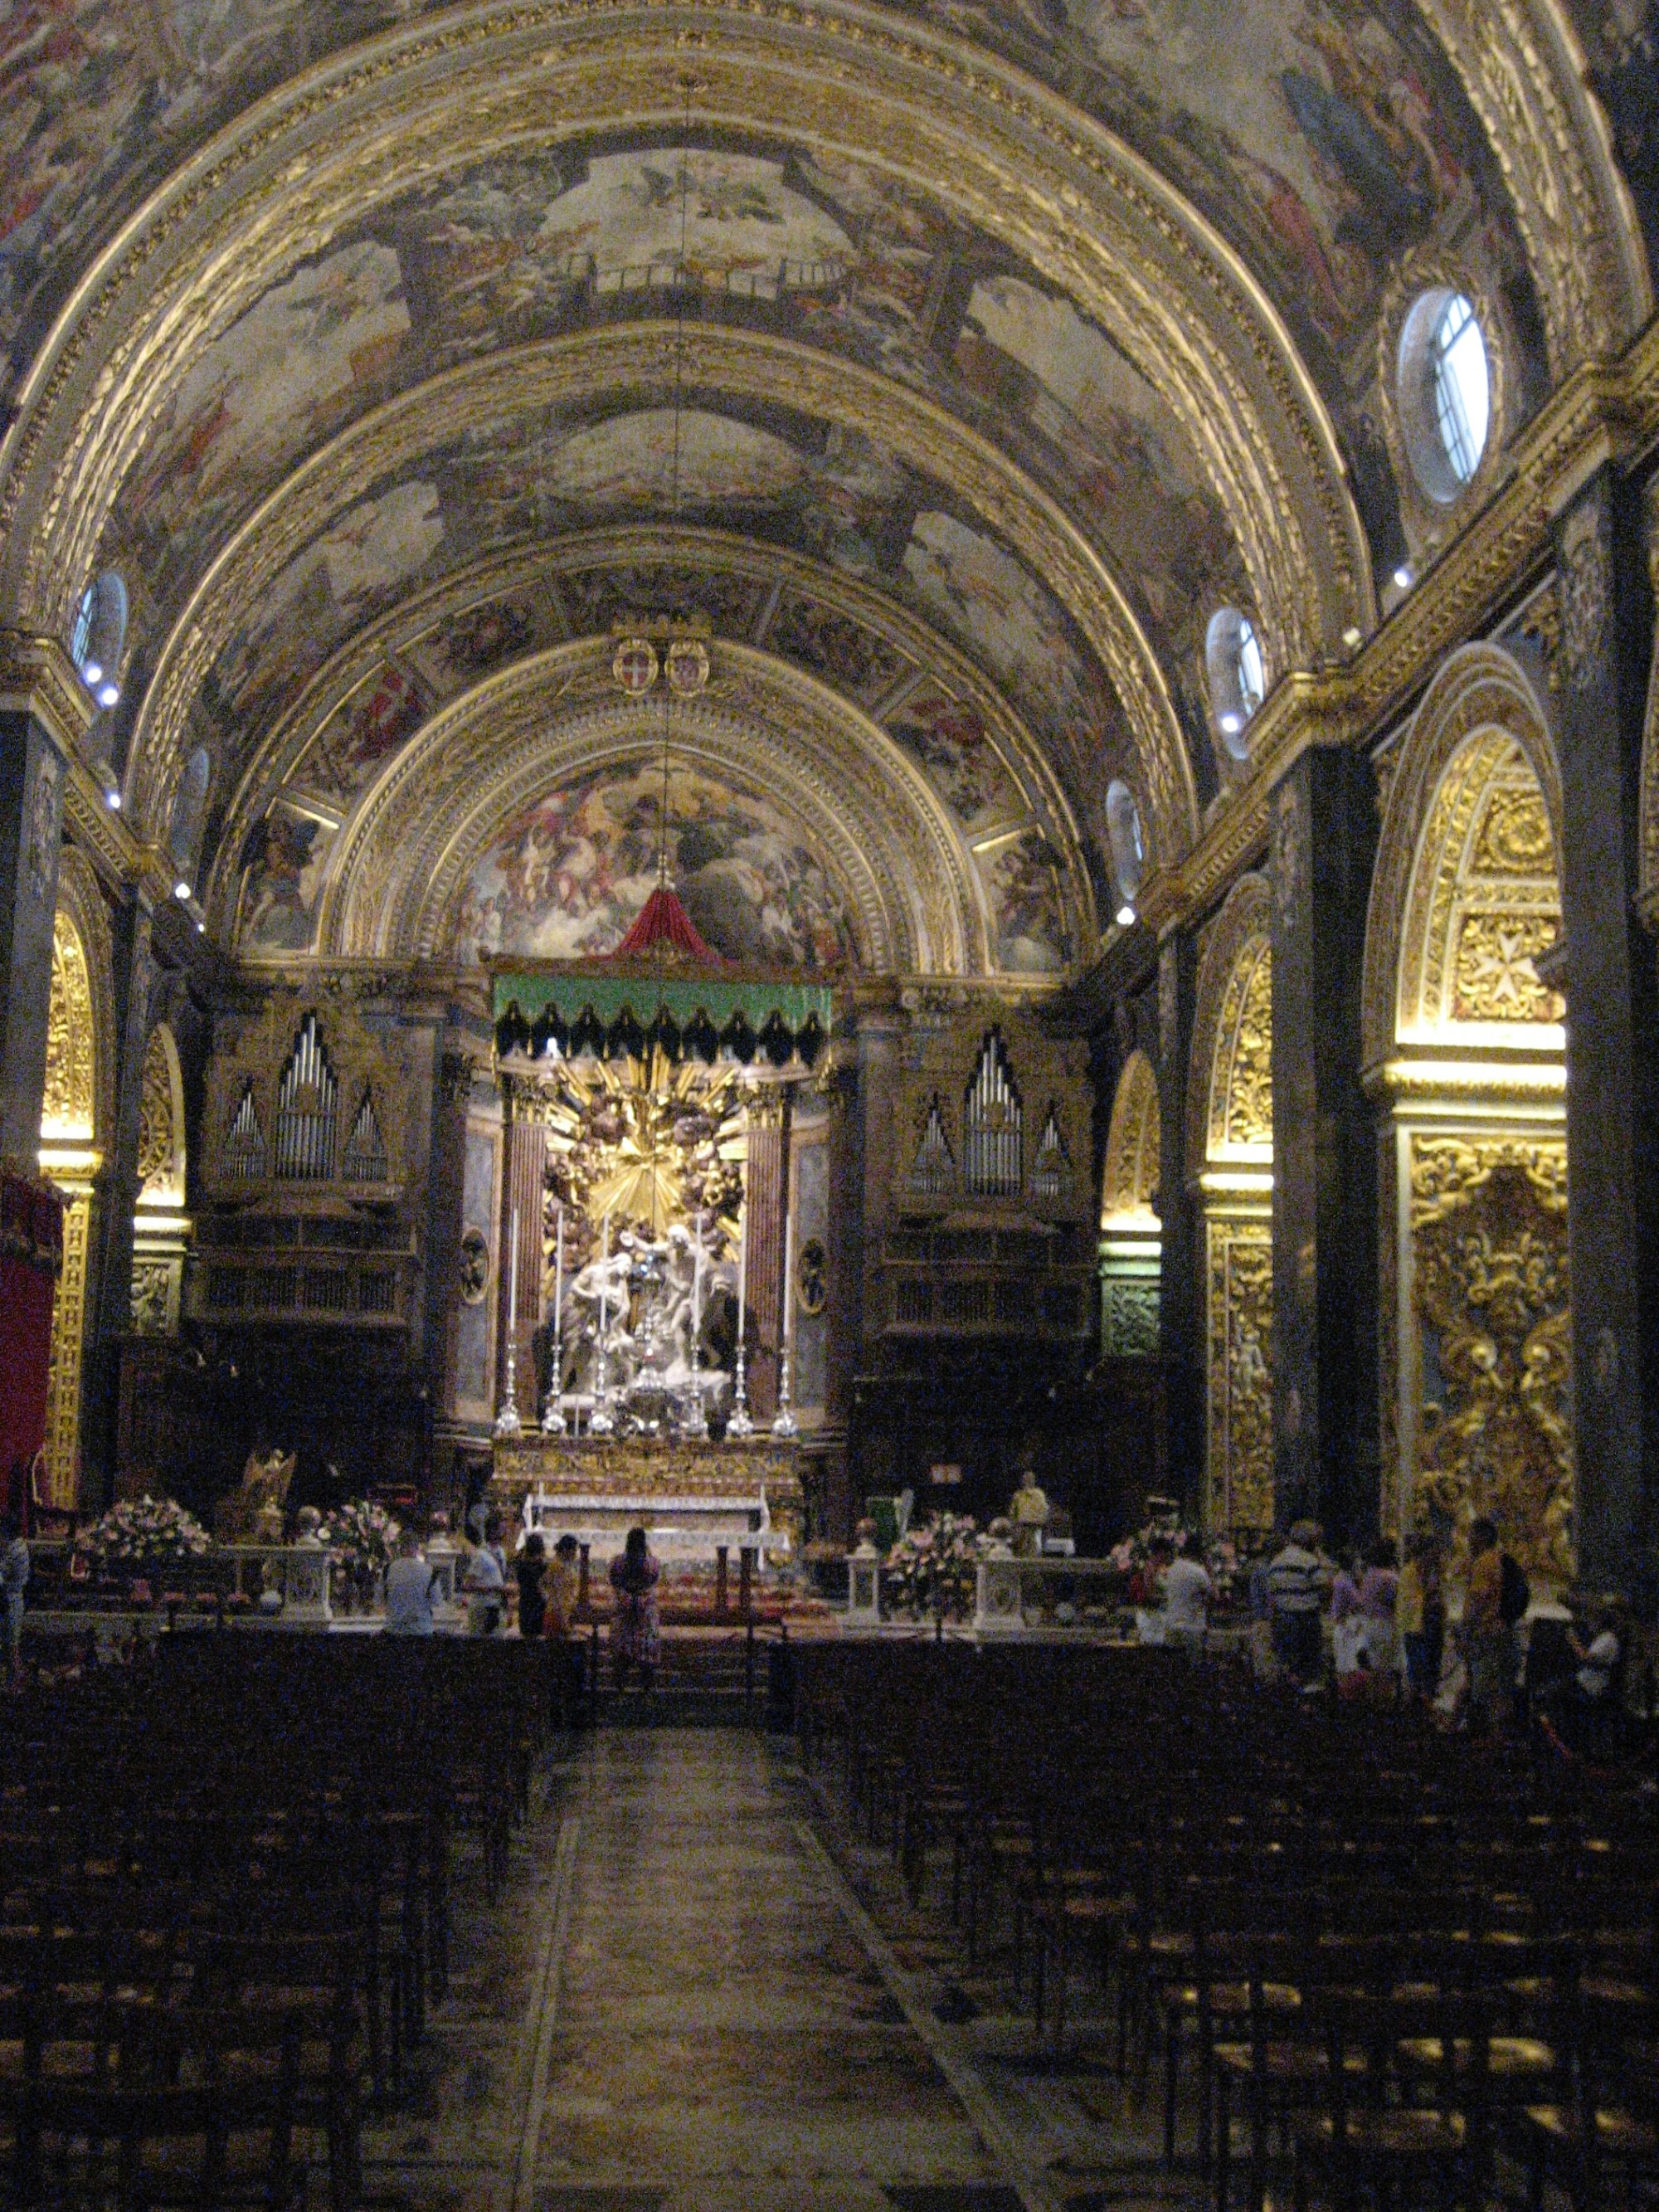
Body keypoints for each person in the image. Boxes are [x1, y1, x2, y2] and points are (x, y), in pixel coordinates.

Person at [1461, 1517, 1515, 1734]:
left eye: (1470, 1535)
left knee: (1483, 1692)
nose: (1467, 1540)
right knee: (1499, 1689)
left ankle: (1485, 1741)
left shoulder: (1483, 1563)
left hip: (1485, 1634)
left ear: (1482, 1537)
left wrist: (1465, 1633)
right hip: (1499, 1632)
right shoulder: (1499, 1559)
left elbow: (1478, 1600)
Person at [1267, 1520, 1330, 1687]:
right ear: (1307, 1540)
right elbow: (1325, 1587)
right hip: (1305, 1620)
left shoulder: (1276, 1562)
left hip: (1283, 1618)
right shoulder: (1309, 1561)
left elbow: (1272, 1596)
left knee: (1288, 1664)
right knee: (1308, 1667)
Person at [608, 1526, 660, 1691]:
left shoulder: (617, 1562)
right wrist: (641, 1598)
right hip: (644, 1613)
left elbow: (614, 1582)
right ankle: (646, 1692)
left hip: (625, 1611)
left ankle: (620, 1690)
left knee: (622, 1654)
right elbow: (654, 1582)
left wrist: (627, 1598)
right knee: (646, 1655)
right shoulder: (652, 1563)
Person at [1397, 1532, 1445, 1703]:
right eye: (1434, 1553)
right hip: (1416, 1629)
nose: (1437, 1557)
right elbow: (1408, 1602)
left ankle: (1428, 1701)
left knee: (1432, 1671)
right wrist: (1428, 1594)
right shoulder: (1409, 1572)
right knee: (1417, 1672)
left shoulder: (1435, 1572)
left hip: (1433, 1626)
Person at [1159, 1534, 1212, 1655]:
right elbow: (1212, 1595)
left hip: (1172, 1625)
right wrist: (1209, 1567)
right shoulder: (1198, 1571)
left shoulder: (1172, 1568)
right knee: (1193, 1669)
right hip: (1192, 1627)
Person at [384, 1527, 440, 1637]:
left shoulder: (388, 1570)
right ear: (417, 1547)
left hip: (394, 1630)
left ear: (400, 1547)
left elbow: (380, 1600)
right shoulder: (429, 1571)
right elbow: (436, 1601)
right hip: (421, 1630)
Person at [465, 1510, 508, 1636]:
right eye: (501, 1529)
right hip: (482, 1607)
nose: (504, 1533)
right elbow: (468, 1584)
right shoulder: (481, 1555)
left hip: (496, 1606)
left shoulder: (501, 1552)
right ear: (492, 1530)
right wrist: (492, 1588)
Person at [2, 1511, 29, 1688]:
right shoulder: (19, 1544)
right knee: (10, 1645)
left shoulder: (14, 1549)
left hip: (10, 1600)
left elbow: (2, 1575)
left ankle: (16, 1685)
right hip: (13, 1598)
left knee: (12, 1647)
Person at [514, 1532, 547, 1640]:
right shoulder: (541, 1567)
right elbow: (541, 1588)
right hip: (538, 1606)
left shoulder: (521, 1565)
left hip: (525, 1605)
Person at [1010, 1469, 1049, 1558]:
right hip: (1021, 1527)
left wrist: (1041, 1523)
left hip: (1035, 1527)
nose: (1027, 1481)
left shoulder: (1039, 1494)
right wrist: (1014, 1526)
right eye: (1025, 1479)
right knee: (1020, 1552)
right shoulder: (1018, 1495)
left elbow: (1044, 1510)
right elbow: (1012, 1513)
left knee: (1034, 1551)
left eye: (1030, 1479)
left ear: (1034, 1480)